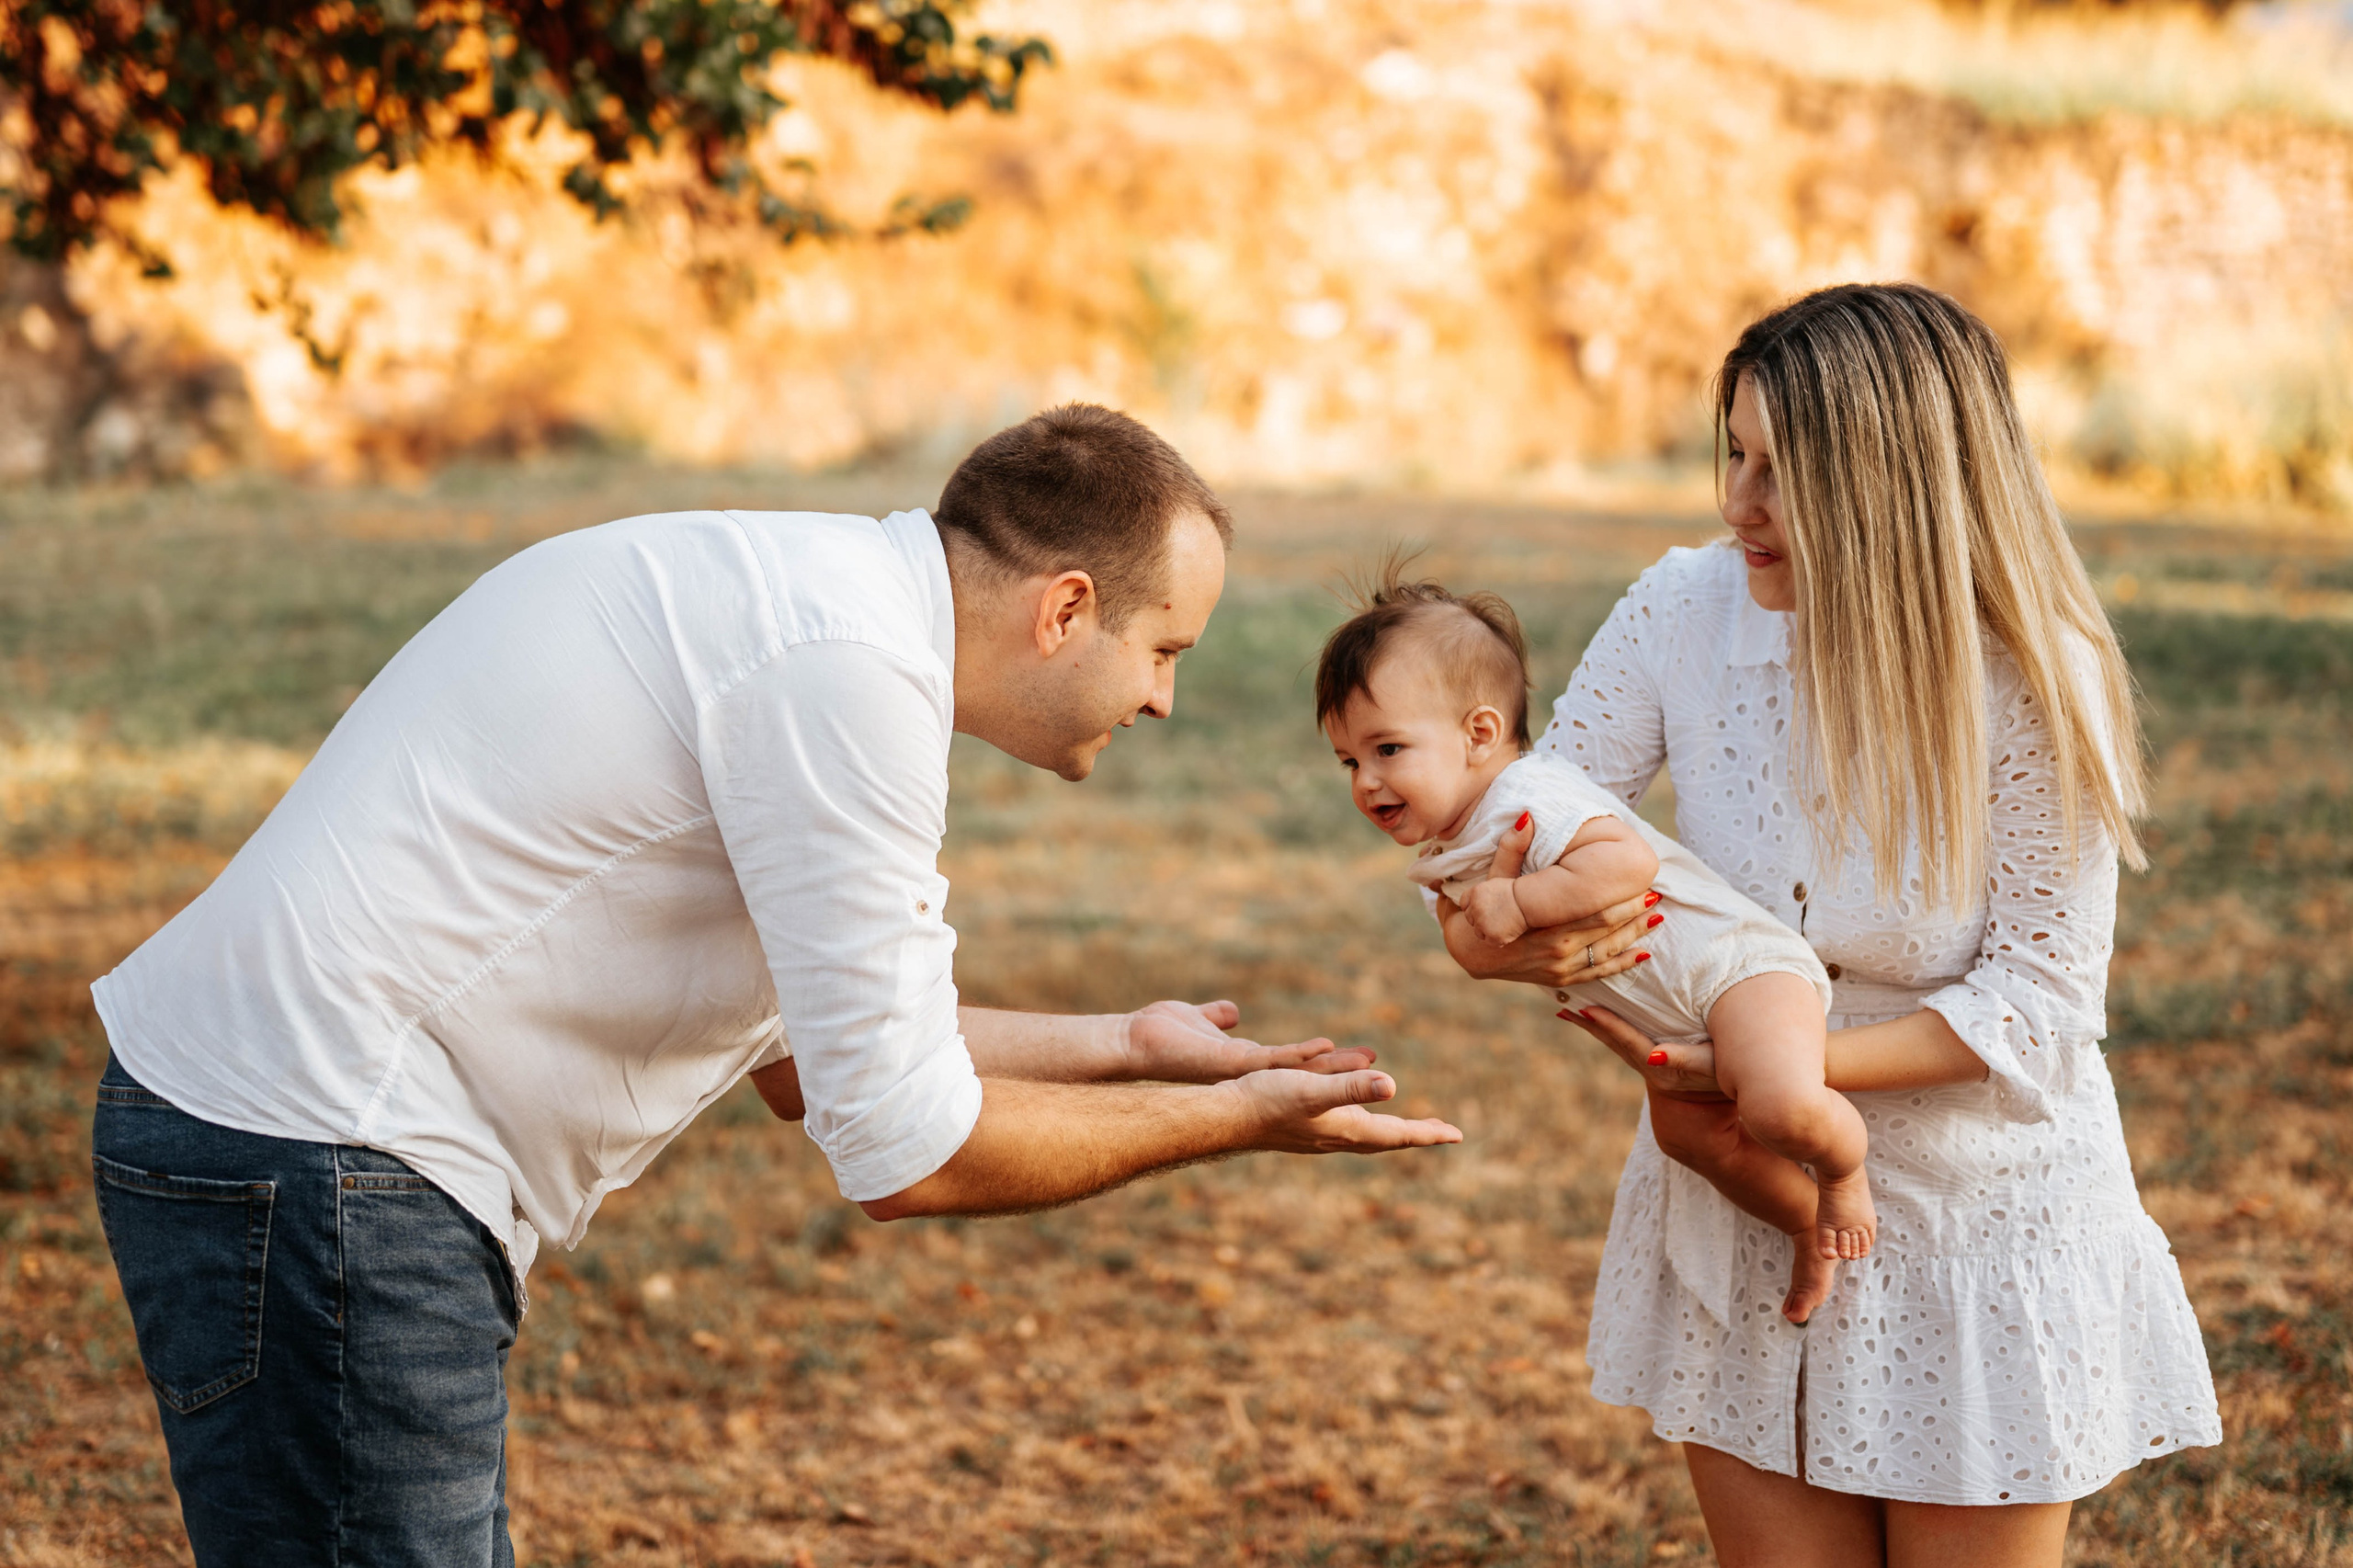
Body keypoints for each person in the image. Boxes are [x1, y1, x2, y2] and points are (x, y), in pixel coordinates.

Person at [89, 403, 1461, 1568]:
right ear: (1065, 609)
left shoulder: (823, 613)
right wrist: (1244, 1117)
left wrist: (1134, 1045)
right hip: (321, 1155)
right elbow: (902, 1145)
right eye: (1166, 649)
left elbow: (812, 1055)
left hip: (288, 1143)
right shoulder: (846, 677)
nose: (1161, 698)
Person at [1437, 285, 2221, 1567]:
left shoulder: (2031, 668)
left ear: (1891, 491)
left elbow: (2039, 999)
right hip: (1739, 1196)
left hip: (1976, 1221)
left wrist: (1773, 1068)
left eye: (1780, 473)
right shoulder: (1681, 611)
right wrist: (1489, 926)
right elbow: (1539, 815)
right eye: (1732, 455)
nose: (1736, 505)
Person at [1313, 564, 1872, 1325]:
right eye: (1349, 760)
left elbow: (1624, 864)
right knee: (1689, 1138)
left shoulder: (1530, 796)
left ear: (1479, 733)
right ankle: (1805, 1221)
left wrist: (1518, 899)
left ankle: (1842, 1172)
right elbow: (1466, 937)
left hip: (1741, 971)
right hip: (1678, 1020)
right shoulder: (1451, 842)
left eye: (1387, 750)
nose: (1366, 782)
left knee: (1778, 1106)